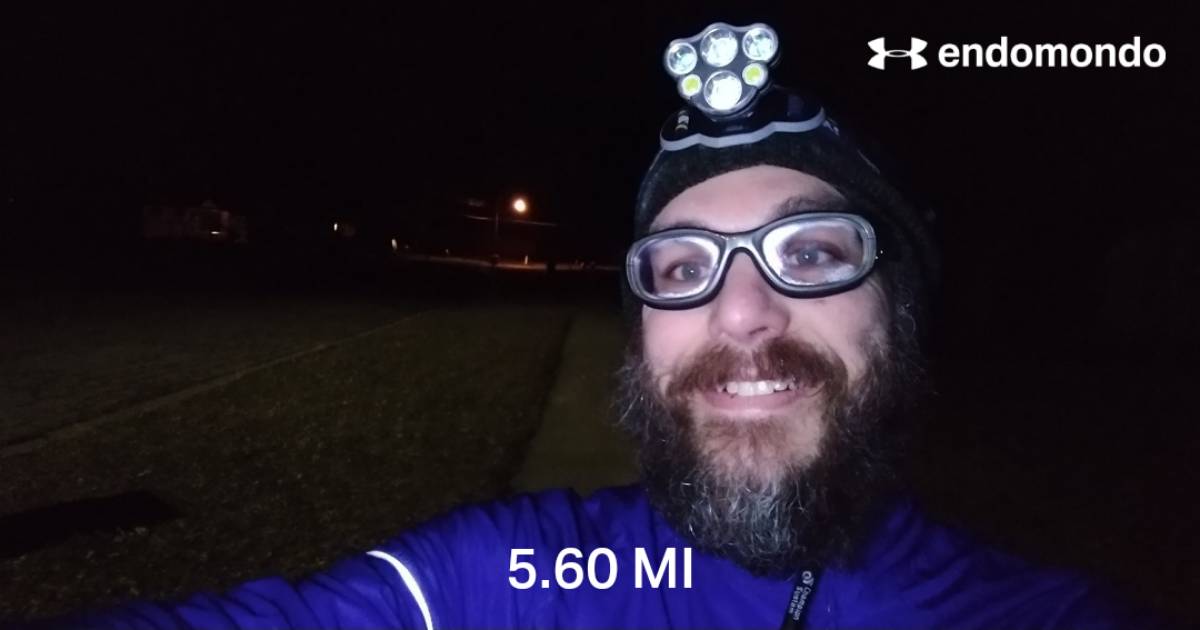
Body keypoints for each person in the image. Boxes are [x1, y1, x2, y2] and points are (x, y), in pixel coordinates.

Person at [28, 22, 1167, 630]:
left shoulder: (1041, 616)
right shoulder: (534, 572)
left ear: (901, 305)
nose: (740, 312)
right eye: (682, 267)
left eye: (812, 253)